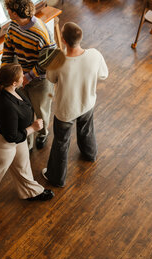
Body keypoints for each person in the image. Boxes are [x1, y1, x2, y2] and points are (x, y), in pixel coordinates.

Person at [0, 63, 54, 202]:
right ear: (14, 82)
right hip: (0, 144)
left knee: (22, 164)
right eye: (21, 76)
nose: (24, 77)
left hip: (14, 135)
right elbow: (11, 137)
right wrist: (32, 128)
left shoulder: (6, 87)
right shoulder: (7, 106)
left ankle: (30, 192)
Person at [42, 23, 108, 187]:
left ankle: (56, 177)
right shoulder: (95, 55)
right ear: (81, 37)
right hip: (87, 103)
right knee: (86, 130)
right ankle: (90, 154)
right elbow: (104, 75)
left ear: (63, 40)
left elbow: (51, 79)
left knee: (61, 143)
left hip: (66, 110)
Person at [1, 0, 55, 150]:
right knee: (25, 113)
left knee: (41, 112)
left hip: (40, 81)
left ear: (15, 13)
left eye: (8, 10)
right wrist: (5, 72)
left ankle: (43, 134)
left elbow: (48, 61)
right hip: (21, 77)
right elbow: (8, 51)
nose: (7, 12)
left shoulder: (41, 33)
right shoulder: (12, 26)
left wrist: (28, 77)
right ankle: (28, 142)